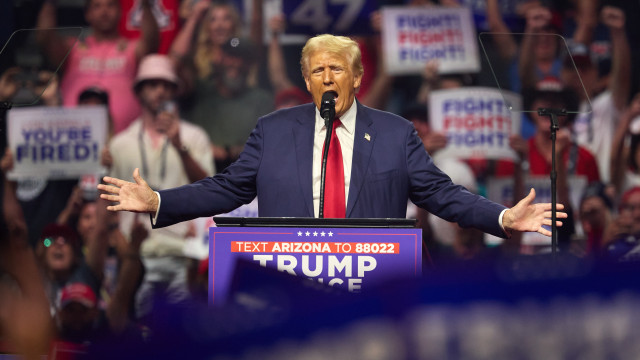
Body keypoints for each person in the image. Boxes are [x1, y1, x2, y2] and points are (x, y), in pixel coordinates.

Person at [99, 34, 566, 242]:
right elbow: (226, 187)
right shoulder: (273, 130)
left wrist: (501, 216)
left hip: (372, 284)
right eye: (316, 70)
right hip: (292, 281)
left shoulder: (395, 132)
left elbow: (441, 194)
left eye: (336, 68)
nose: (326, 77)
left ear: (357, 77)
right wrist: (159, 201)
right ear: (305, 81)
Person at [106, 54, 214, 318]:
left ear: (175, 91)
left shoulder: (194, 137)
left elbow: (211, 190)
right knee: (140, 339)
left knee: (183, 336)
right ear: (139, 91)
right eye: (152, 84)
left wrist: (180, 147)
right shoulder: (120, 144)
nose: (160, 90)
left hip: (182, 251)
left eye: (167, 85)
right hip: (136, 254)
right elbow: (108, 200)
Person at [36, 0, 159, 134]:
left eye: (110, 5)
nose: (104, 12)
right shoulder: (73, 49)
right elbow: (45, 37)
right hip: (75, 138)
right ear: (87, 14)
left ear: (121, 12)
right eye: (97, 6)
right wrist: (50, 2)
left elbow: (152, 41)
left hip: (123, 140)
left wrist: (146, 4)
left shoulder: (131, 49)